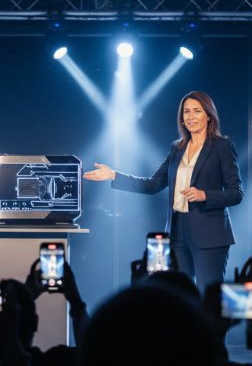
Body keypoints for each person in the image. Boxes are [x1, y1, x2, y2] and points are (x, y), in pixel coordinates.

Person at [84, 91, 243, 293]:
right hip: (177, 233)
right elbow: (153, 185)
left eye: (197, 111)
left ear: (209, 115)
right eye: (186, 112)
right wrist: (114, 175)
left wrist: (205, 195)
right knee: (179, 294)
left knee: (207, 294)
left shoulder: (222, 146)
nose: (191, 117)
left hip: (210, 234)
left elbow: (236, 193)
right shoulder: (177, 148)